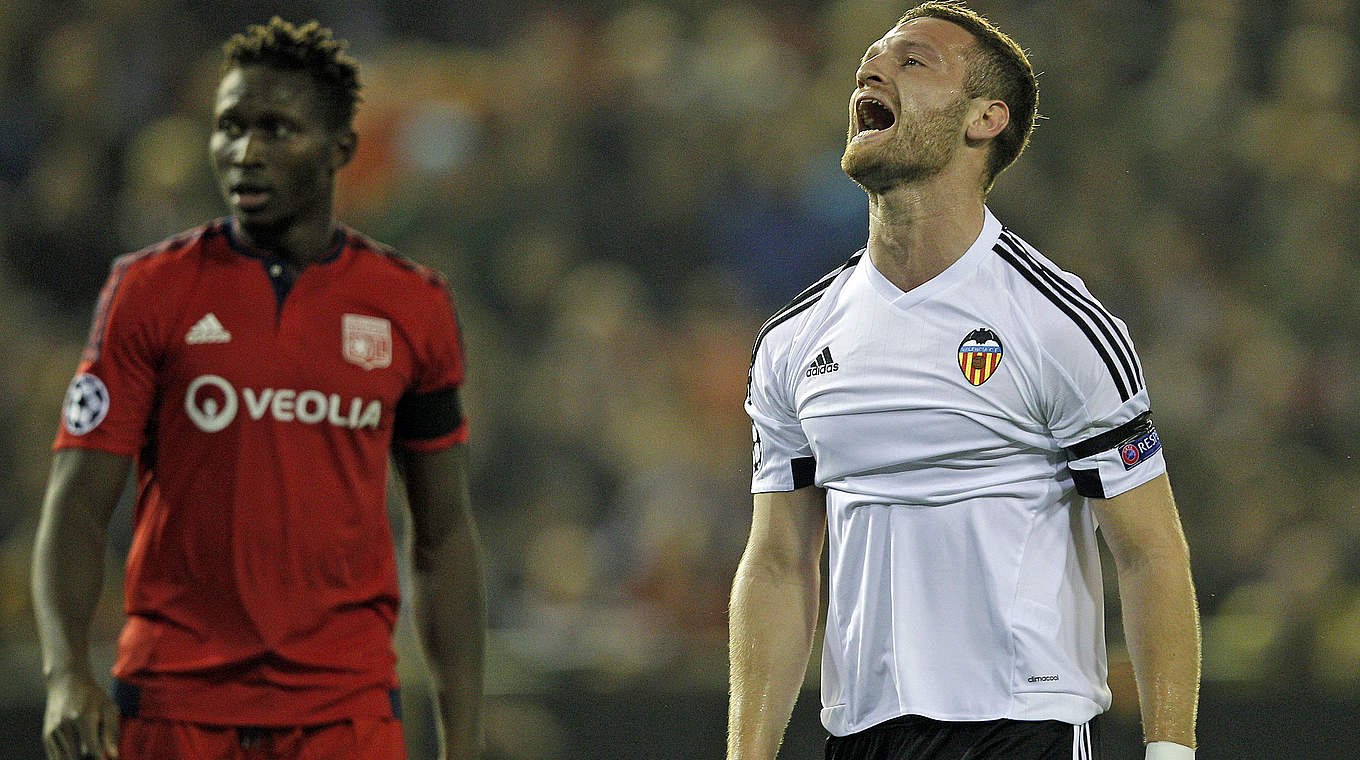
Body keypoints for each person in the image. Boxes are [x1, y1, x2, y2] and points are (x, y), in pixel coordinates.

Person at [727, 3, 1200, 760]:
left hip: (1024, 731)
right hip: (862, 736)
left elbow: (1152, 553)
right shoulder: (793, 340)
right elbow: (780, 562)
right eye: (872, 59)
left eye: (914, 61)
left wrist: (1171, 752)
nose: (871, 69)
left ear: (985, 119)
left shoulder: (1060, 325)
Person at [31, 17, 485, 760]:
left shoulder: (413, 306)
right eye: (229, 127)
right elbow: (76, 504)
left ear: (340, 148)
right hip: (176, 708)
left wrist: (463, 739)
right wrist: (64, 673)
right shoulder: (147, 292)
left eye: (277, 129)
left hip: (345, 716)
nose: (245, 152)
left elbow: (443, 535)